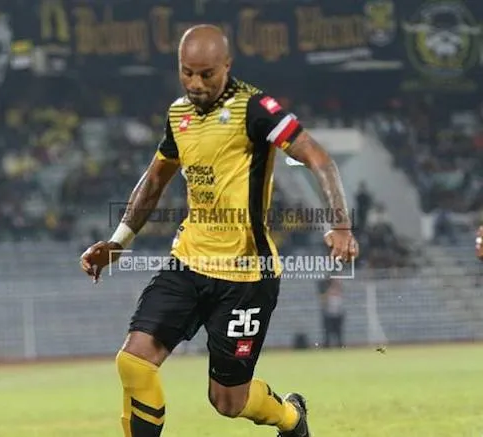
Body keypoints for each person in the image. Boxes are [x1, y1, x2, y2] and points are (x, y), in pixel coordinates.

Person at [80, 25, 358, 437]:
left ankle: (291, 418)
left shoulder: (255, 109)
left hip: (246, 277)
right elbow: (155, 179)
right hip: (188, 263)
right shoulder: (179, 114)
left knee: (229, 401)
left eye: (206, 74)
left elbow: (317, 157)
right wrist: (119, 241)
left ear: (227, 65)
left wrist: (340, 223)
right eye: (187, 72)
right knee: (134, 362)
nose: (195, 83)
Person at [317, 278, 345, 348]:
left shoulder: (339, 291)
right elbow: (323, 303)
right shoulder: (327, 292)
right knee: (328, 332)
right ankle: (327, 345)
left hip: (338, 315)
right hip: (329, 315)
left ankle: (339, 345)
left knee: (338, 332)